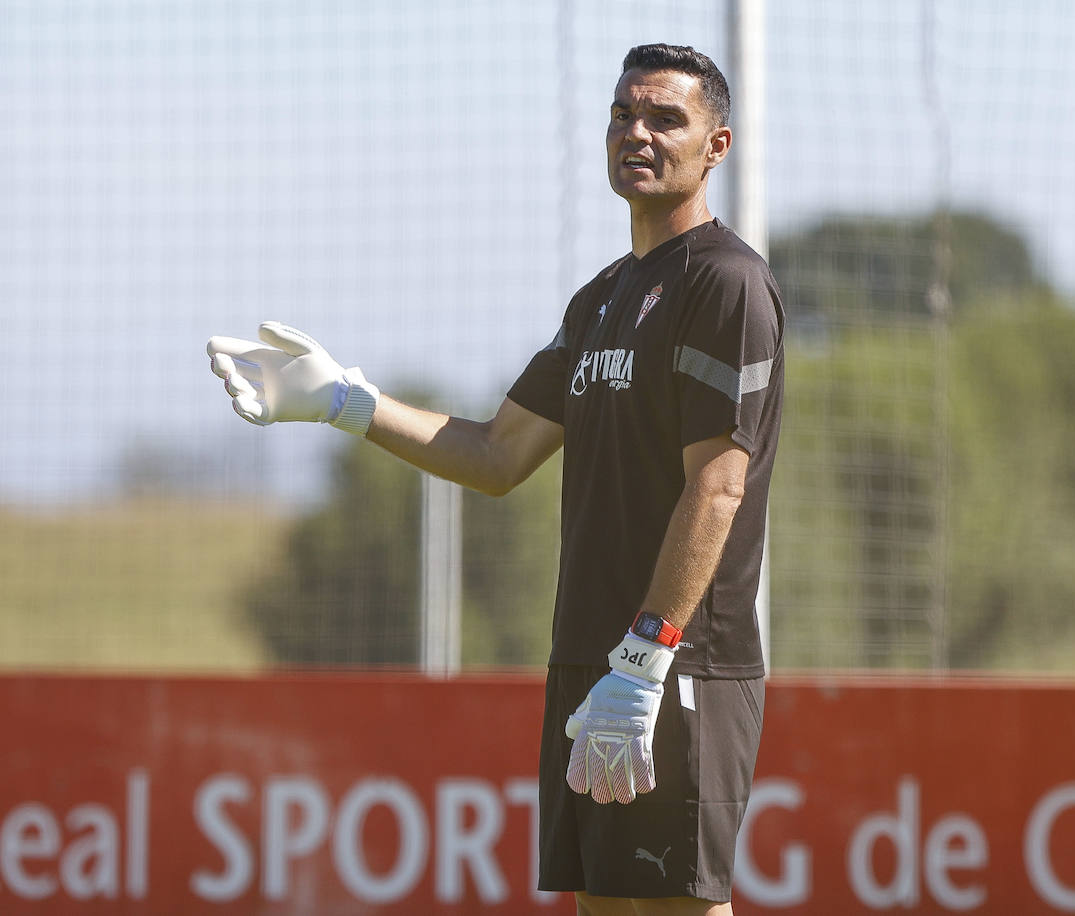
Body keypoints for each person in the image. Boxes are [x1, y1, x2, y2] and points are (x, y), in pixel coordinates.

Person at [208, 43, 784, 916]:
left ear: (717, 146)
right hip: (593, 662)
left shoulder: (727, 282)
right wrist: (344, 401)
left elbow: (718, 489)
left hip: (674, 665)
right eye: (624, 113)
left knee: (678, 909)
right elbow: (496, 454)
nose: (639, 132)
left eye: (667, 118)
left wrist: (647, 656)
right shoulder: (600, 299)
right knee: (606, 907)